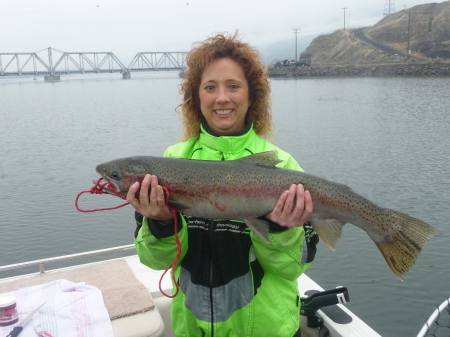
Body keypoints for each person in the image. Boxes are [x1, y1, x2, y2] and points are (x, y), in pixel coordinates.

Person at [127, 32, 319, 337]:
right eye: (210, 87)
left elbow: (292, 269)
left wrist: (281, 230)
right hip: (194, 330)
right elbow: (155, 261)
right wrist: (162, 223)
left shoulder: (284, 167)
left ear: (252, 95)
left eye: (233, 86)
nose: (222, 98)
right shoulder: (168, 164)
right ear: (196, 96)